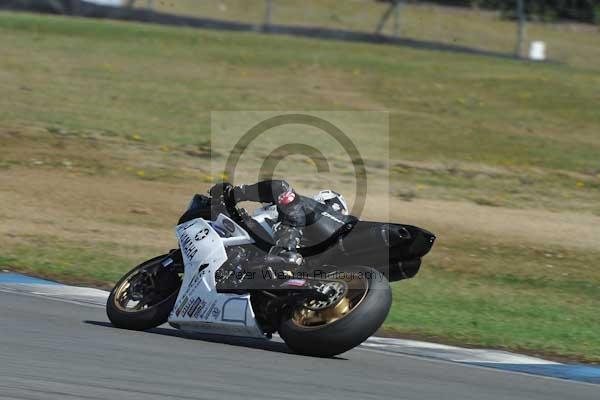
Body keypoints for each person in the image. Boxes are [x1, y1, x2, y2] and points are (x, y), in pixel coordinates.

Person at [209, 180, 351, 269]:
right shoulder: (297, 209)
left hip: (291, 260)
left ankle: (231, 194)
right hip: (259, 253)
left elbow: (279, 188)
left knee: (282, 189)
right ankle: (230, 196)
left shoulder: (304, 209)